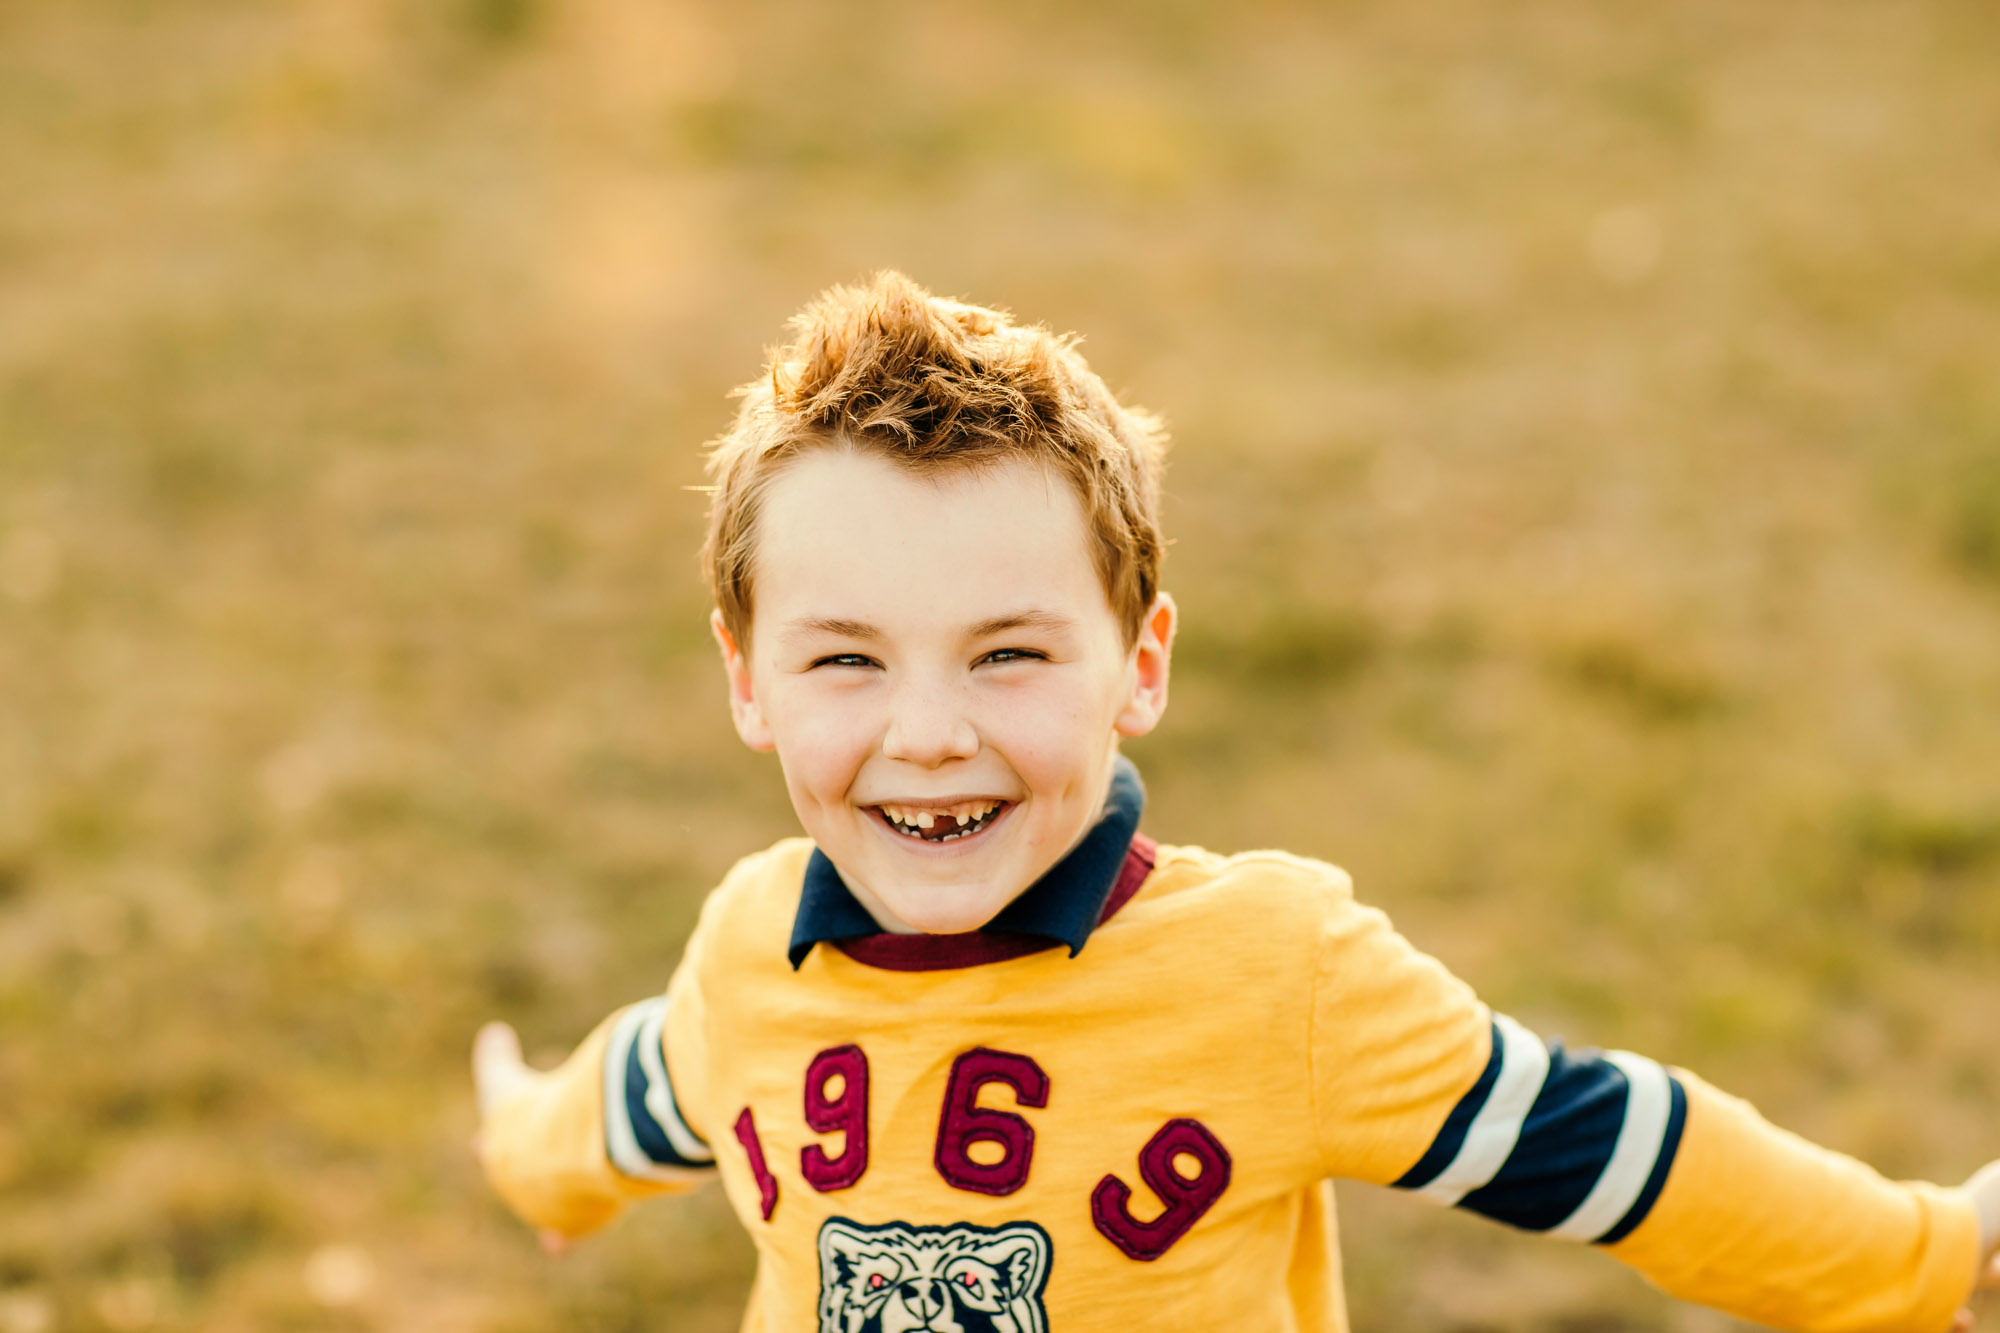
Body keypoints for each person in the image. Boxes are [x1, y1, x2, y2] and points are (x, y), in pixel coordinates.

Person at [472, 270, 2000, 1332]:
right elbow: (635, 1099)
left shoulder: (1281, 973)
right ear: (748, 680)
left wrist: (1923, 1249)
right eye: (846, 659)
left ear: (1139, 663)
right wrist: (531, 1156)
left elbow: (1611, 1149)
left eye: (1009, 654)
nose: (927, 734)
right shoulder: (753, 953)